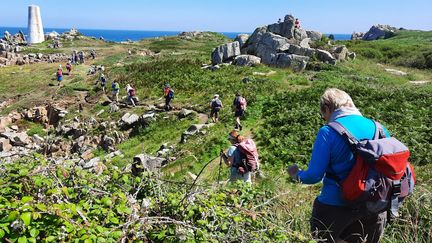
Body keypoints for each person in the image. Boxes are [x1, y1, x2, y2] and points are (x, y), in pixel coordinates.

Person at [287, 88, 389, 243]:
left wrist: (296, 174)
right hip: (374, 205)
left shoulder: (328, 131)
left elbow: (314, 176)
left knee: (321, 238)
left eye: (324, 114)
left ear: (327, 108)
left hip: (335, 205)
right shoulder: (379, 128)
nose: (325, 119)